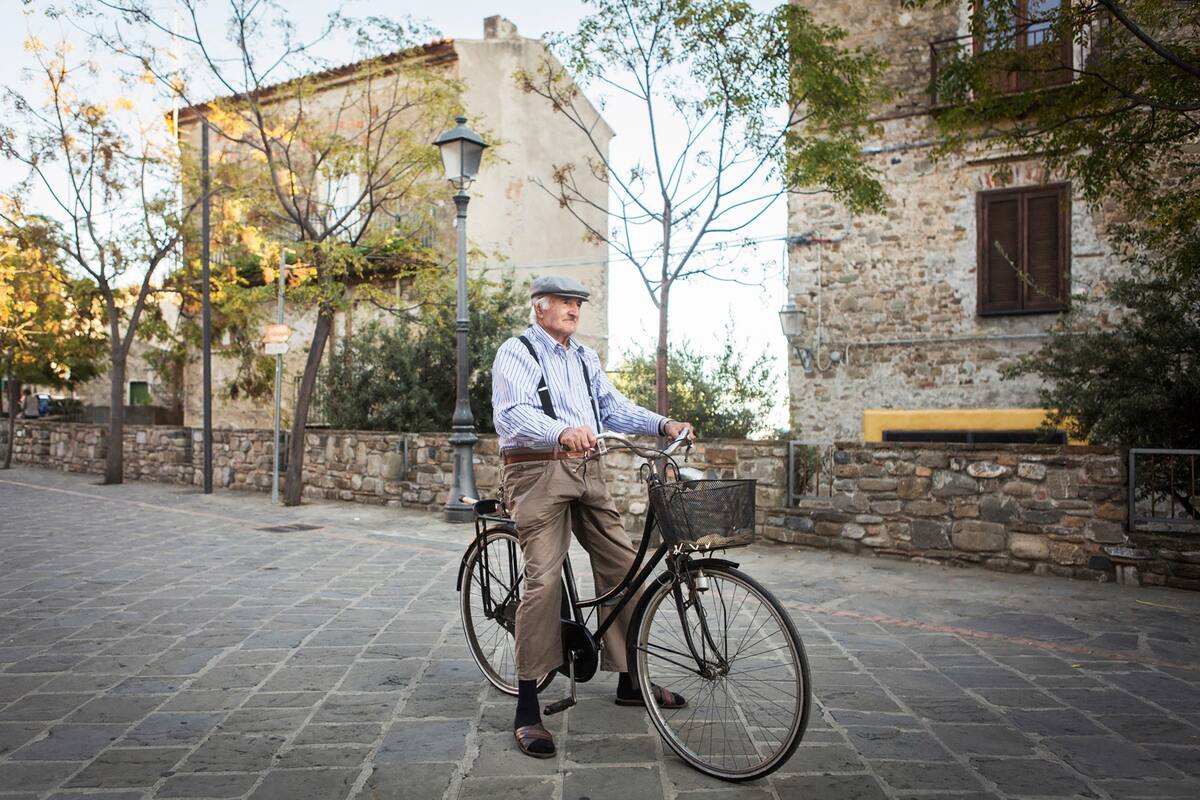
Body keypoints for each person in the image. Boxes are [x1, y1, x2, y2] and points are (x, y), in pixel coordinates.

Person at [491, 275, 694, 758]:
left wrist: (661, 423)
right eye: (564, 302)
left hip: (589, 470)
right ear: (539, 307)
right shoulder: (517, 351)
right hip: (538, 473)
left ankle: (629, 678)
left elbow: (612, 407)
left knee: (625, 567)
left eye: (577, 303)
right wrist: (561, 432)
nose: (573, 309)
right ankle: (526, 706)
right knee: (542, 580)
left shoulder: (583, 357)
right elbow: (513, 414)